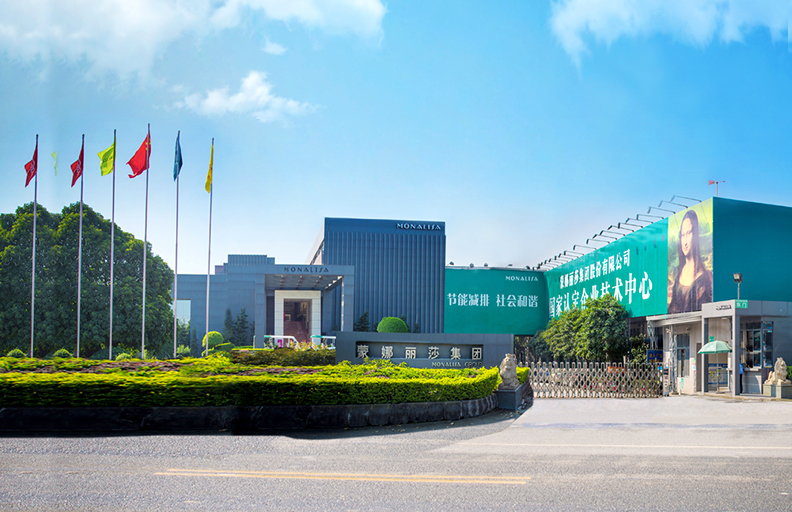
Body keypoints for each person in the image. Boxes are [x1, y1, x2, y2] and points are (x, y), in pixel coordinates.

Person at [668, 209, 712, 313]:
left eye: (689, 233)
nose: (685, 242)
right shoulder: (679, 273)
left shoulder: (702, 277)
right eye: (682, 235)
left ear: (695, 235)